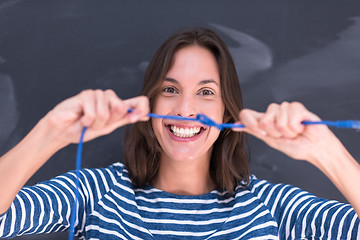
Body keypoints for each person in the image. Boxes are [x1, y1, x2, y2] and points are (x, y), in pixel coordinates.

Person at [0, 28, 359, 240]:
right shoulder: (95, 192)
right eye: (170, 90)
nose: (185, 110)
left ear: (227, 111)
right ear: (149, 101)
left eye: (206, 92)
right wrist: (51, 133)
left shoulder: (275, 206)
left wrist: (326, 152)